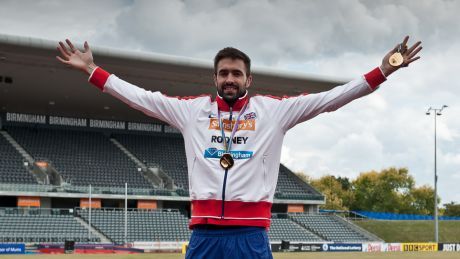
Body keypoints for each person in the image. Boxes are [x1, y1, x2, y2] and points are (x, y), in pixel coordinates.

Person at [56, 36, 422, 258]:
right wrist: (93, 70)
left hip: (251, 236)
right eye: (223, 73)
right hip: (203, 234)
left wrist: (383, 70)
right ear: (214, 78)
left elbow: (331, 98)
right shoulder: (191, 111)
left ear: (248, 78)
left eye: (236, 73)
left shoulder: (275, 112)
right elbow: (139, 98)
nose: (230, 79)